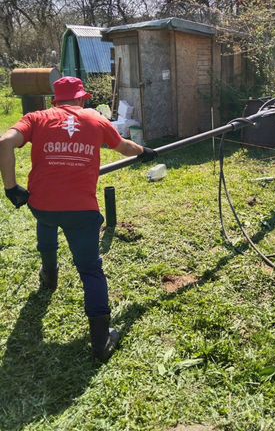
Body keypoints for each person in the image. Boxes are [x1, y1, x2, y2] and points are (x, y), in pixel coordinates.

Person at [0, 76, 157, 362]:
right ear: (82, 98)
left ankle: (49, 276)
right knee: (90, 270)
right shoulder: (95, 119)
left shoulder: (37, 118)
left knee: (47, 222)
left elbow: (4, 142)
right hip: (82, 213)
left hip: (42, 206)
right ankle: (100, 342)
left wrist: (11, 188)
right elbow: (124, 146)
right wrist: (145, 151)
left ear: (55, 99)